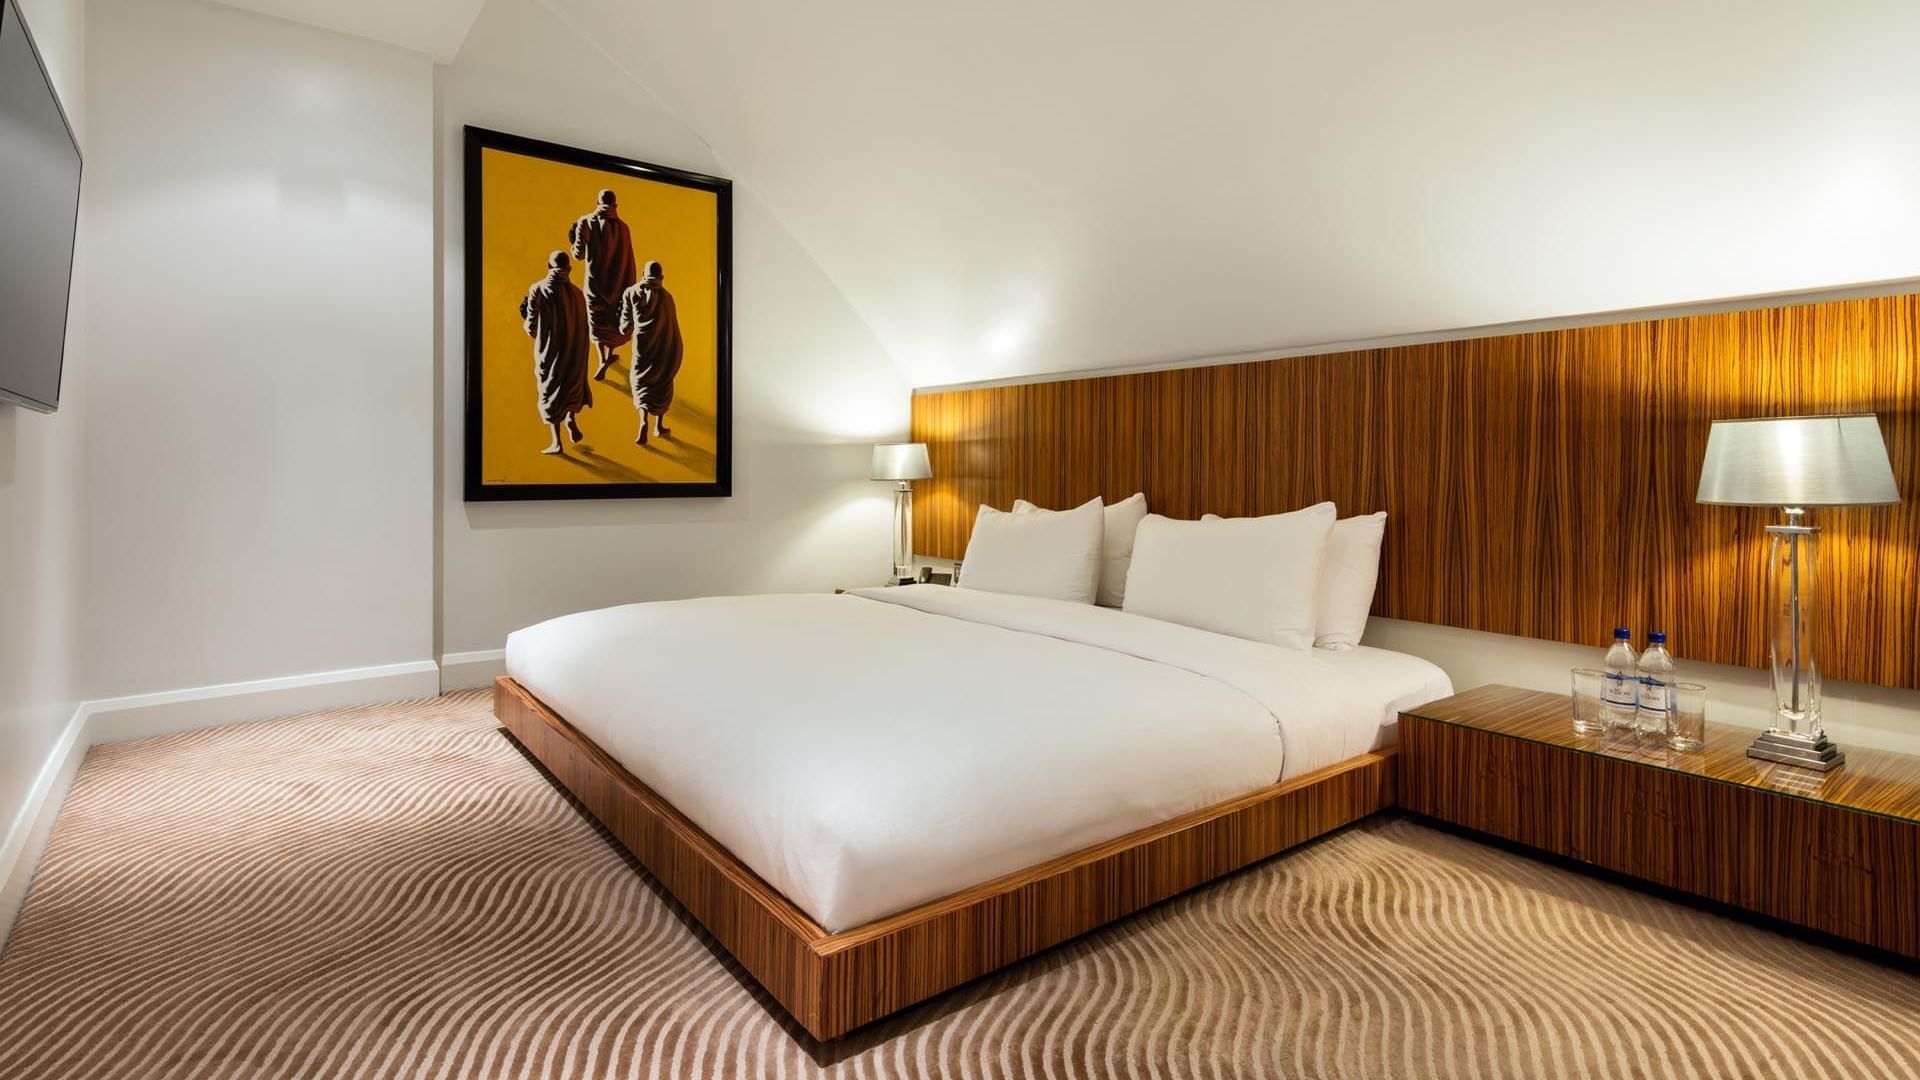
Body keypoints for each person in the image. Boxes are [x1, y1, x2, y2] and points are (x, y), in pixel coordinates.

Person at [519, 250, 592, 455]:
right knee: (569, 386)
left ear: (548, 266)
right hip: (575, 352)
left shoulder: (538, 290)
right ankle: (571, 418)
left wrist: (530, 329)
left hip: (550, 353)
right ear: (569, 268)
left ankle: (557, 442)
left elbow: (531, 326)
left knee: (550, 392)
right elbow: (583, 327)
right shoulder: (578, 294)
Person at [568, 189, 637, 382]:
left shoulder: (586, 222)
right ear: (615, 205)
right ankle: (609, 355)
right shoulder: (624, 228)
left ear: (597, 201)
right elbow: (629, 259)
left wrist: (573, 243)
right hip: (618, 283)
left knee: (597, 320)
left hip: (595, 282)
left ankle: (602, 359)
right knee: (613, 321)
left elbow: (578, 254)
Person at [618, 259, 684, 445]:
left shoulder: (631, 293)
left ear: (643, 275)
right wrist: (674, 352)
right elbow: (673, 329)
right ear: (661, 277)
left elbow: (625, 327)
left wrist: (625, 327)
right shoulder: (667, 298)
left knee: (641, 383)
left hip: (641, 347)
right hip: (662, 349)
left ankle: (642, 422)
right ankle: (658, 426)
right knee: (661, 384)